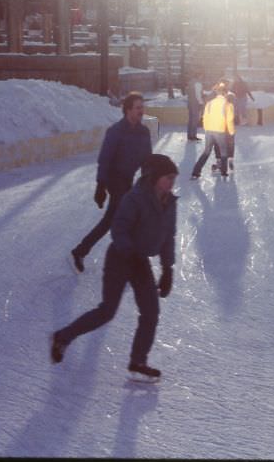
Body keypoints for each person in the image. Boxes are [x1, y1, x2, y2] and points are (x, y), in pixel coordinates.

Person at [52, 154, 179, 381]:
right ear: (156, 178)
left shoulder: (170, 203)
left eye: (174, 178)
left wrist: (167, 268)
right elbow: (118, 229)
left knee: (151, 312)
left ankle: (138, 361)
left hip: (139, 261)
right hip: (120, 258)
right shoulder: (135, 198)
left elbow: (169, 237)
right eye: (168, 177)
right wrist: (128, 251)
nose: (172, 182)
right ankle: (63, 336)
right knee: (107, 311)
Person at [71, 92, 152, 273]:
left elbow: (147, 159)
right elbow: (105, 159)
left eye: (142, 107)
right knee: (120, 216)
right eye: (138, 108)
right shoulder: (116, 131)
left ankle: (81, 251)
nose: (141, 111)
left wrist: (149, 180)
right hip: (114, 178)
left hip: (128, 179)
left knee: (115, 219)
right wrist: (100, 185)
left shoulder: (143, 132)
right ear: (128, 110)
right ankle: (84, 251)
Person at [191, 80, 235, 179]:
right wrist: (231, 132)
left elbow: (204, 117)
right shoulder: (228, 104)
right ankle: (224, 172)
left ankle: (196, 172)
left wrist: (206, 128)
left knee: (206, 152)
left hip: (209, 131)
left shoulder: (209, 103)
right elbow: (230, 120)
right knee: (223, 152)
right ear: (225, 93)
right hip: (220, 131)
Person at [185, 69, 205, 141]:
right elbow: (198, 95)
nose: (202, 77)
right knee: (195, 120)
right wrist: (201, 103)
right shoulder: (198, 83)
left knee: (191, 120)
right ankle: (193, 135)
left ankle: (189, 135)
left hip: (190, 103)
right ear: (199, 76)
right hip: (195, 103)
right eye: (202, 75)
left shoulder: (191, 82)